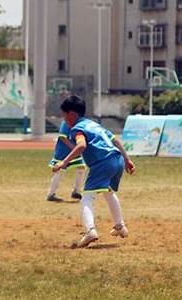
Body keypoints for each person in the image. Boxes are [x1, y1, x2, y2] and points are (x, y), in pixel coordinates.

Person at [53, 95, 135, 248]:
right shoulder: (94, 125)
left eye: (65, 116)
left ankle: (90, 230)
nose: (64, 120)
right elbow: (115, 140)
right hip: (117, 159)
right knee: (108, 191)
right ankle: (120, 226)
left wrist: (64, 162)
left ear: (72, 114)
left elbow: (81, 145)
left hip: (102, 163)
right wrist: (127, 160)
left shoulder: (77, 128)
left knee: (87, 198)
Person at [47, 120, 86, 202]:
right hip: (63, 152)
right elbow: (62, 137)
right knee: (59, 170)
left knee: (81, 167)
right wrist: (73, 147)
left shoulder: (80, 123)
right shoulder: (66, 121)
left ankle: (76, 191)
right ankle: (51, 194)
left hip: (74, 152)